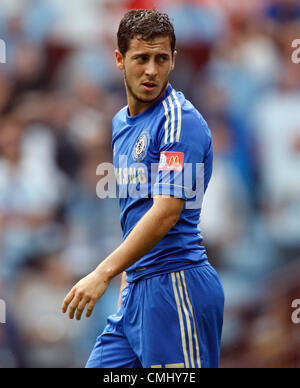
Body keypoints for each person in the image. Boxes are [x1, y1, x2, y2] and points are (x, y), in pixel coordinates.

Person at [62, 9, 224, 368]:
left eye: (161, 58)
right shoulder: (121, 122)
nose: (151, 69)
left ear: (173, 60)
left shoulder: (179, 122)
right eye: (141, 58)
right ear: (120, 59)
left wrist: (104, 272)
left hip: (177, 285)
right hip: (136, 289)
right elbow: (134, 213)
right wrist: (125, 280)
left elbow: (166, 211)